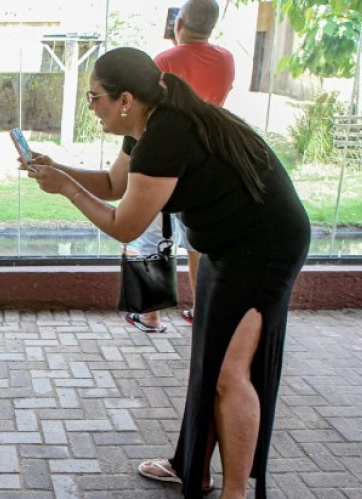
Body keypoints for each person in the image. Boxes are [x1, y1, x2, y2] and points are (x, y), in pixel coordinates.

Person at [25, 47, 310, 499]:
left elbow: (124, 224)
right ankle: (190, 465)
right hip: (226, 243)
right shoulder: (147, 126)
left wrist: (65, 188)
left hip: (264, 246)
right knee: (209, 359)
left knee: (231, 374)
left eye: (94, 97)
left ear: (125, 100)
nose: (92, 107)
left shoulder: (167, 134)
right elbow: (115, 185)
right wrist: (57, 168)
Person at [126, 0, 235, 333]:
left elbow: (150, 110)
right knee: (196, 240)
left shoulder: (164, 61)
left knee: (153, 232)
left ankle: (150, 315)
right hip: (205, 160)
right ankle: (201, 310)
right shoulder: (226, 60)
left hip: (166, 157)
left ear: (178, 23)